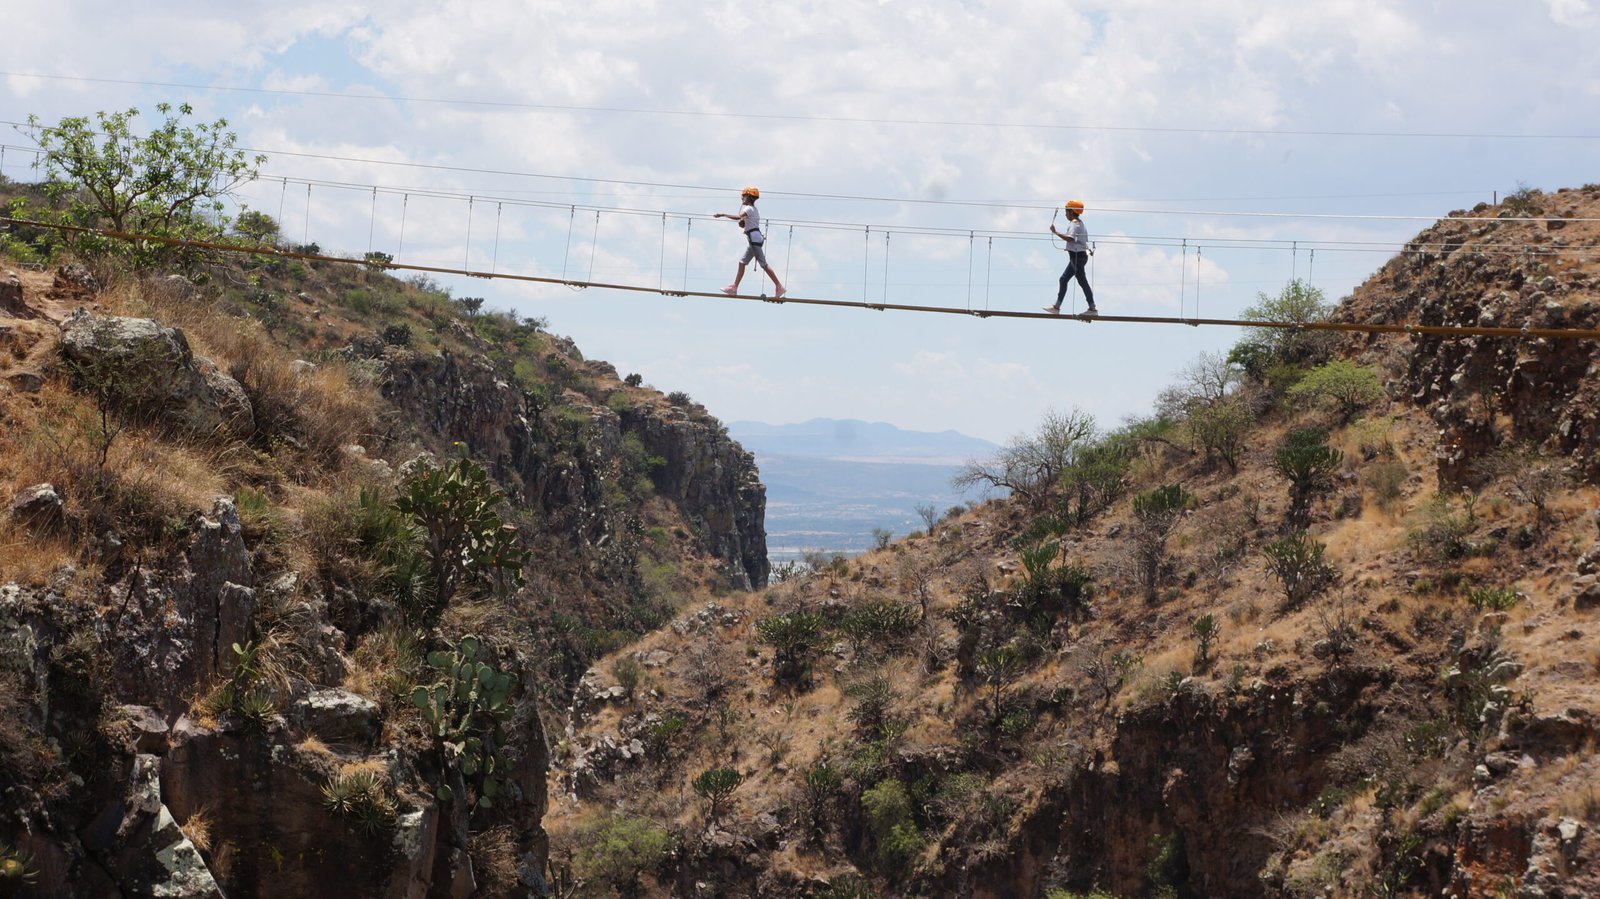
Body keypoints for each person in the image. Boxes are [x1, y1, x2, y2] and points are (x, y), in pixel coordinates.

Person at [715, 186, 785, 298]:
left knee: (764, 264)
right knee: (742, 263)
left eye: (743, 196)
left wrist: (723, 215)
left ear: (748, 197)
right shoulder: (754, 209)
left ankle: (779, 286)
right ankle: (734, 287)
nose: (742, 198)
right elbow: (744, 222)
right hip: (754, 239)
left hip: (754, 240)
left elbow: (739, 217)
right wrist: (743, 223)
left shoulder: (748, 209)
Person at [1044, 199, 1096, 316]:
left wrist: (1055, 232)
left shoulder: (1074, 224)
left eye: (1066, 211)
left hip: (1077, 257)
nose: (1065, 214)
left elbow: (1070, 238)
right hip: (1079, 256)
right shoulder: (1080, 223)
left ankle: (1057, 307)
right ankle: (1092, 308)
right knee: (1082, 282)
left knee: (1063, 279)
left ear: (1072, 211)